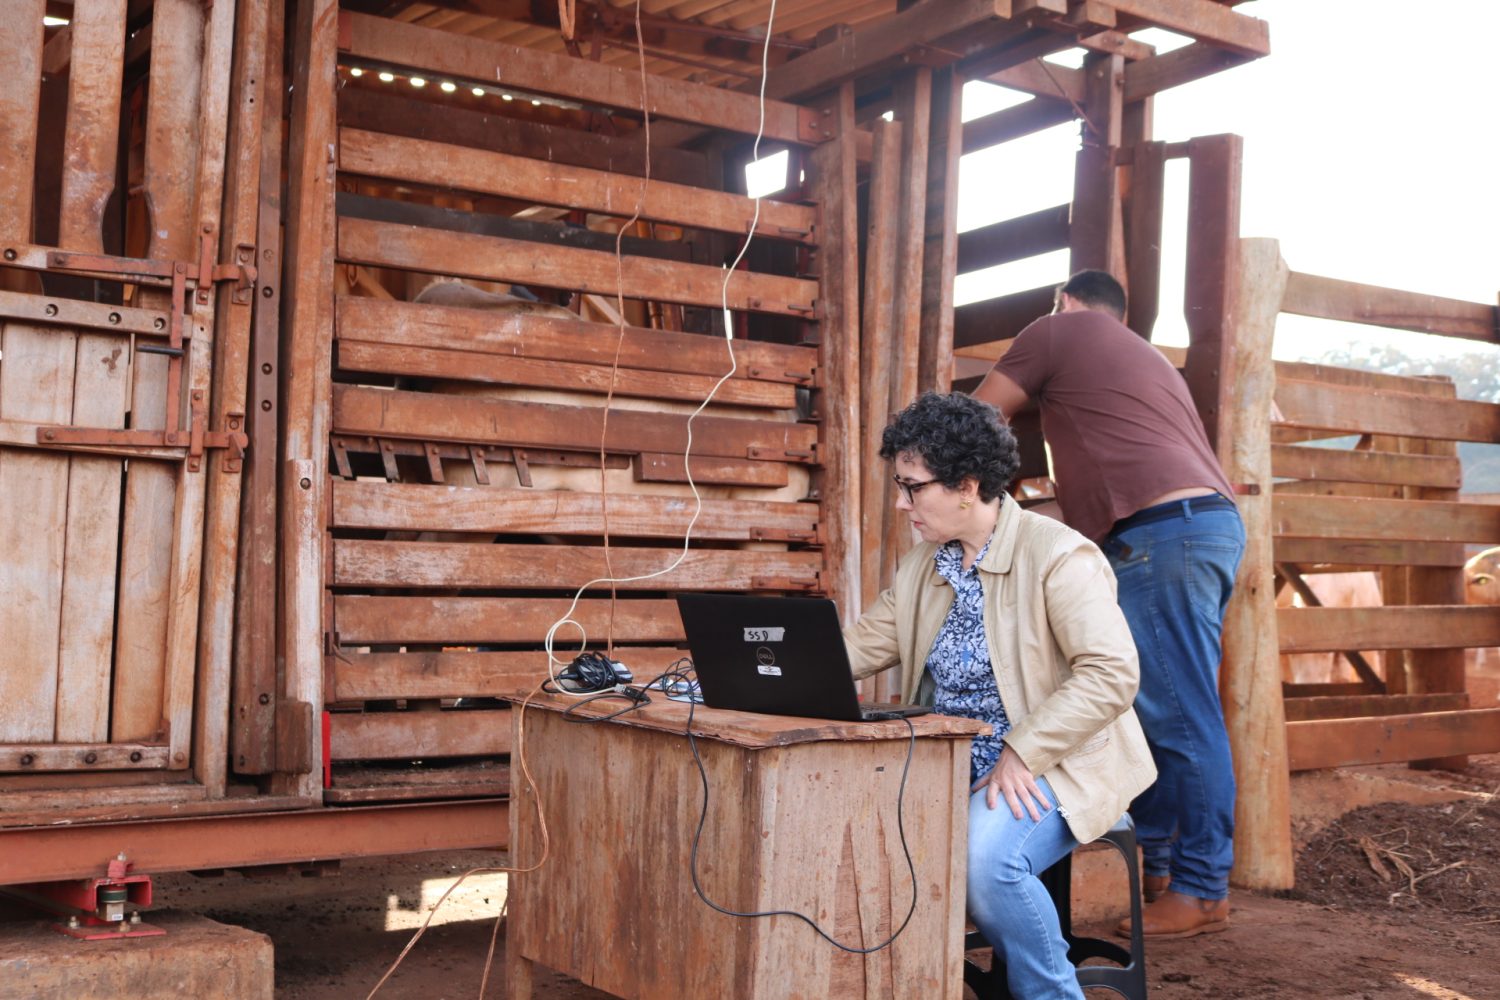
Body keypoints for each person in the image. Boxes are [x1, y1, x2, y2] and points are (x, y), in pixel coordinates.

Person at [843, 391, 1155, 1000]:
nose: (903, 504)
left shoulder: (1060, 555)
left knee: (985, 864)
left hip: (1054, 760)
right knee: (853, 830)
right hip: (953, 758)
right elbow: (858, 647)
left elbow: (1111, 672)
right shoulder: (924, 567)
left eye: (913, 488)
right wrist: (744, 674)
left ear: (965, 484)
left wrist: (1023, 749)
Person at [972, 269, 1246, 940]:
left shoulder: (1058, 329)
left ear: (1065, 302)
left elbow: (974, 420)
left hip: (1161, 534)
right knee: (1135, 700)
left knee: (1181, 714)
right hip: (1193, 527)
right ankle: (1156, 868)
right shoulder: (1141, 360)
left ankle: (1204, 889)